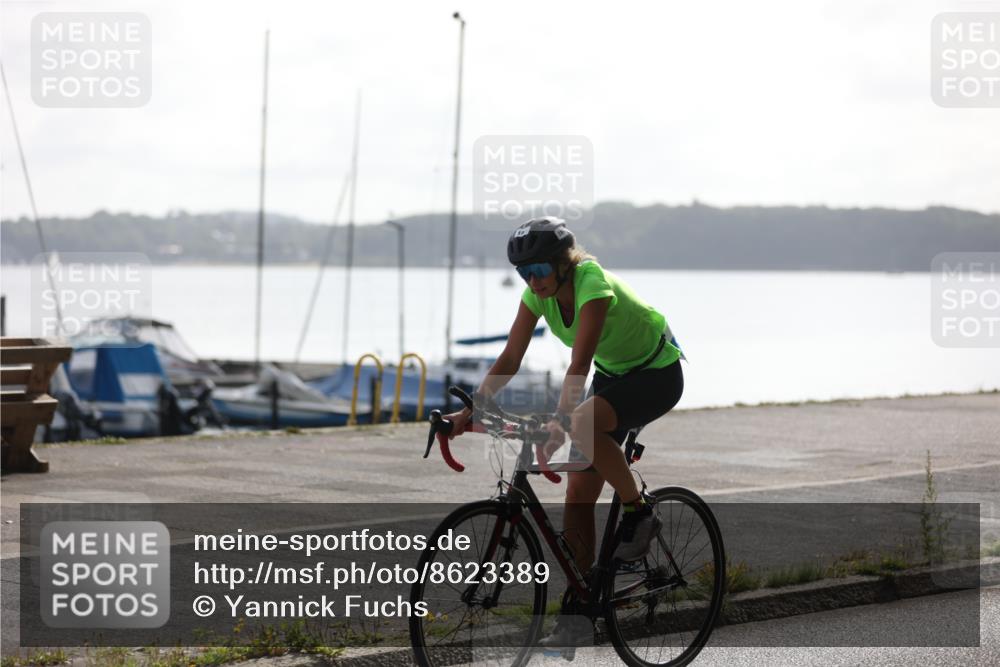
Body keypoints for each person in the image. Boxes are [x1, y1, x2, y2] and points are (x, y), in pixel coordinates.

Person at [442, 216, 685, 647]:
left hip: (656, 373)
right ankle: (579, 614)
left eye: (537, 271)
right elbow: (511, 357)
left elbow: (579, 362)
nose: (532, 282)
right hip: (614, 378)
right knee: (578, 496)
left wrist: (559, 420)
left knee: (582, 421)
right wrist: (471, 410)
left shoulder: (590, 282)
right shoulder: (537, 296)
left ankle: (640, 511)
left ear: (562, 263)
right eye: (523, 273)